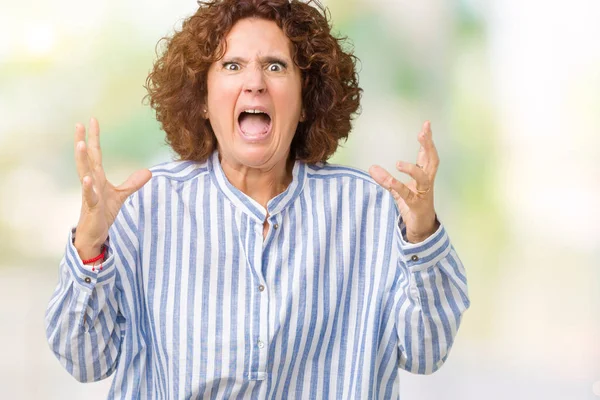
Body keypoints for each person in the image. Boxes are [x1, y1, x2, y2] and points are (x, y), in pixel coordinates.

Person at [45, 0, 470, 398]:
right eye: (232, 66)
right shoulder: (145, 207)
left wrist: (421, 236)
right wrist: (89, 247)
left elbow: (426, 353)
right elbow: (86, 361)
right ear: (204, 100)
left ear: (306, 100)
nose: (254, 83)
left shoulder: (370, 210)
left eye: (275, 66)